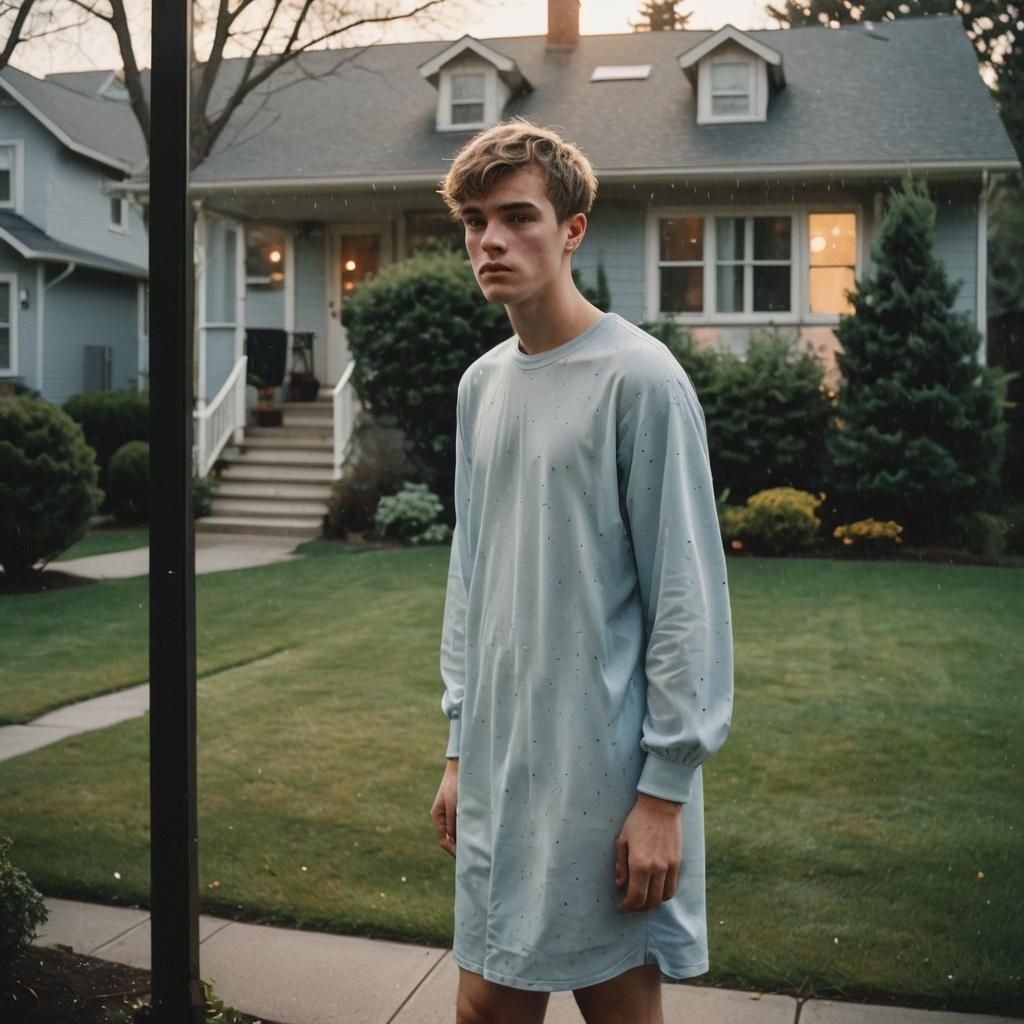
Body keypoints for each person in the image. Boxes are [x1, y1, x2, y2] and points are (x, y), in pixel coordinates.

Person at [431, 119, 733, 1024]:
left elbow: (686, 597)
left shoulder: (641, 380)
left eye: (518, 216)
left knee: (616, 1006)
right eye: (476, 221)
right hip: (500, 755)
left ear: (573, 229)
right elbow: (470, 576)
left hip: (605, 772)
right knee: (486, 1003)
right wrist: (457, 748)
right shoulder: (481, 385)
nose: (491, 240)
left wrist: (664, 795)